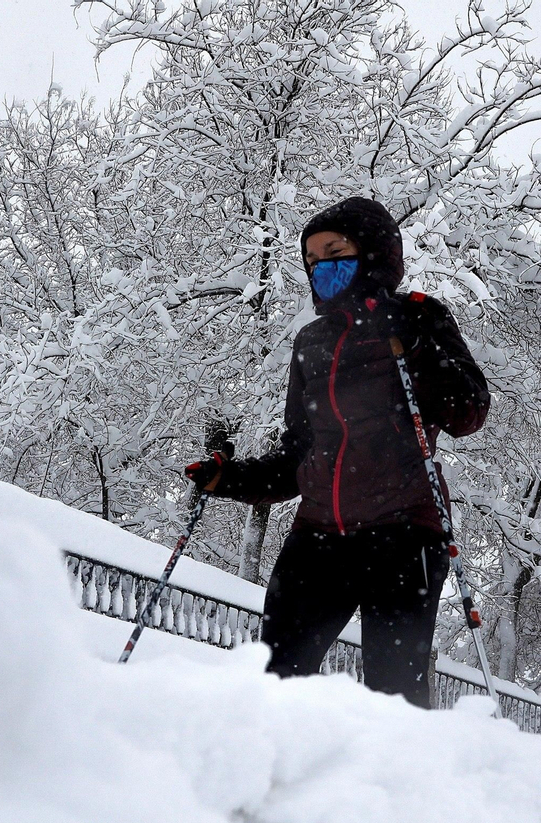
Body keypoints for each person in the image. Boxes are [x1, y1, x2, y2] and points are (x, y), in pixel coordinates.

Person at [184, 197, 489, 707]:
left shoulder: (420, 316)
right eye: (311, 260)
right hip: (320, 538)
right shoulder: (312, 342)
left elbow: (469, 413)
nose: (321, 266)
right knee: (275, 678)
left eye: (335, 250)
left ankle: (395, 785)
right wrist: (229, 479)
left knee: (393, 696)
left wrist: (416, 349)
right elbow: (297, 458)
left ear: (373, 252)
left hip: (404, 534)